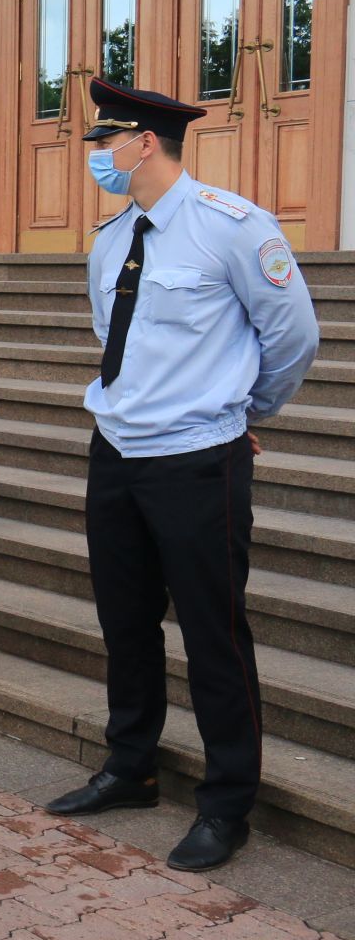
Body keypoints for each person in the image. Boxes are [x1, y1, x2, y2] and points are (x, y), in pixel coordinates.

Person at [43, 80, 320, 872]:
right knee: (125, 623)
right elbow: (115, 341)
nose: (94, 155)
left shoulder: (233, 227)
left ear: (147, 143)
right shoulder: (109, 237)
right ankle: (130, 766)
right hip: (119, 452)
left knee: (212, 634)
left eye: (105, 142)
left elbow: (293, 337)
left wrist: (241, 412)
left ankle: (228, 803)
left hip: (198, 460)